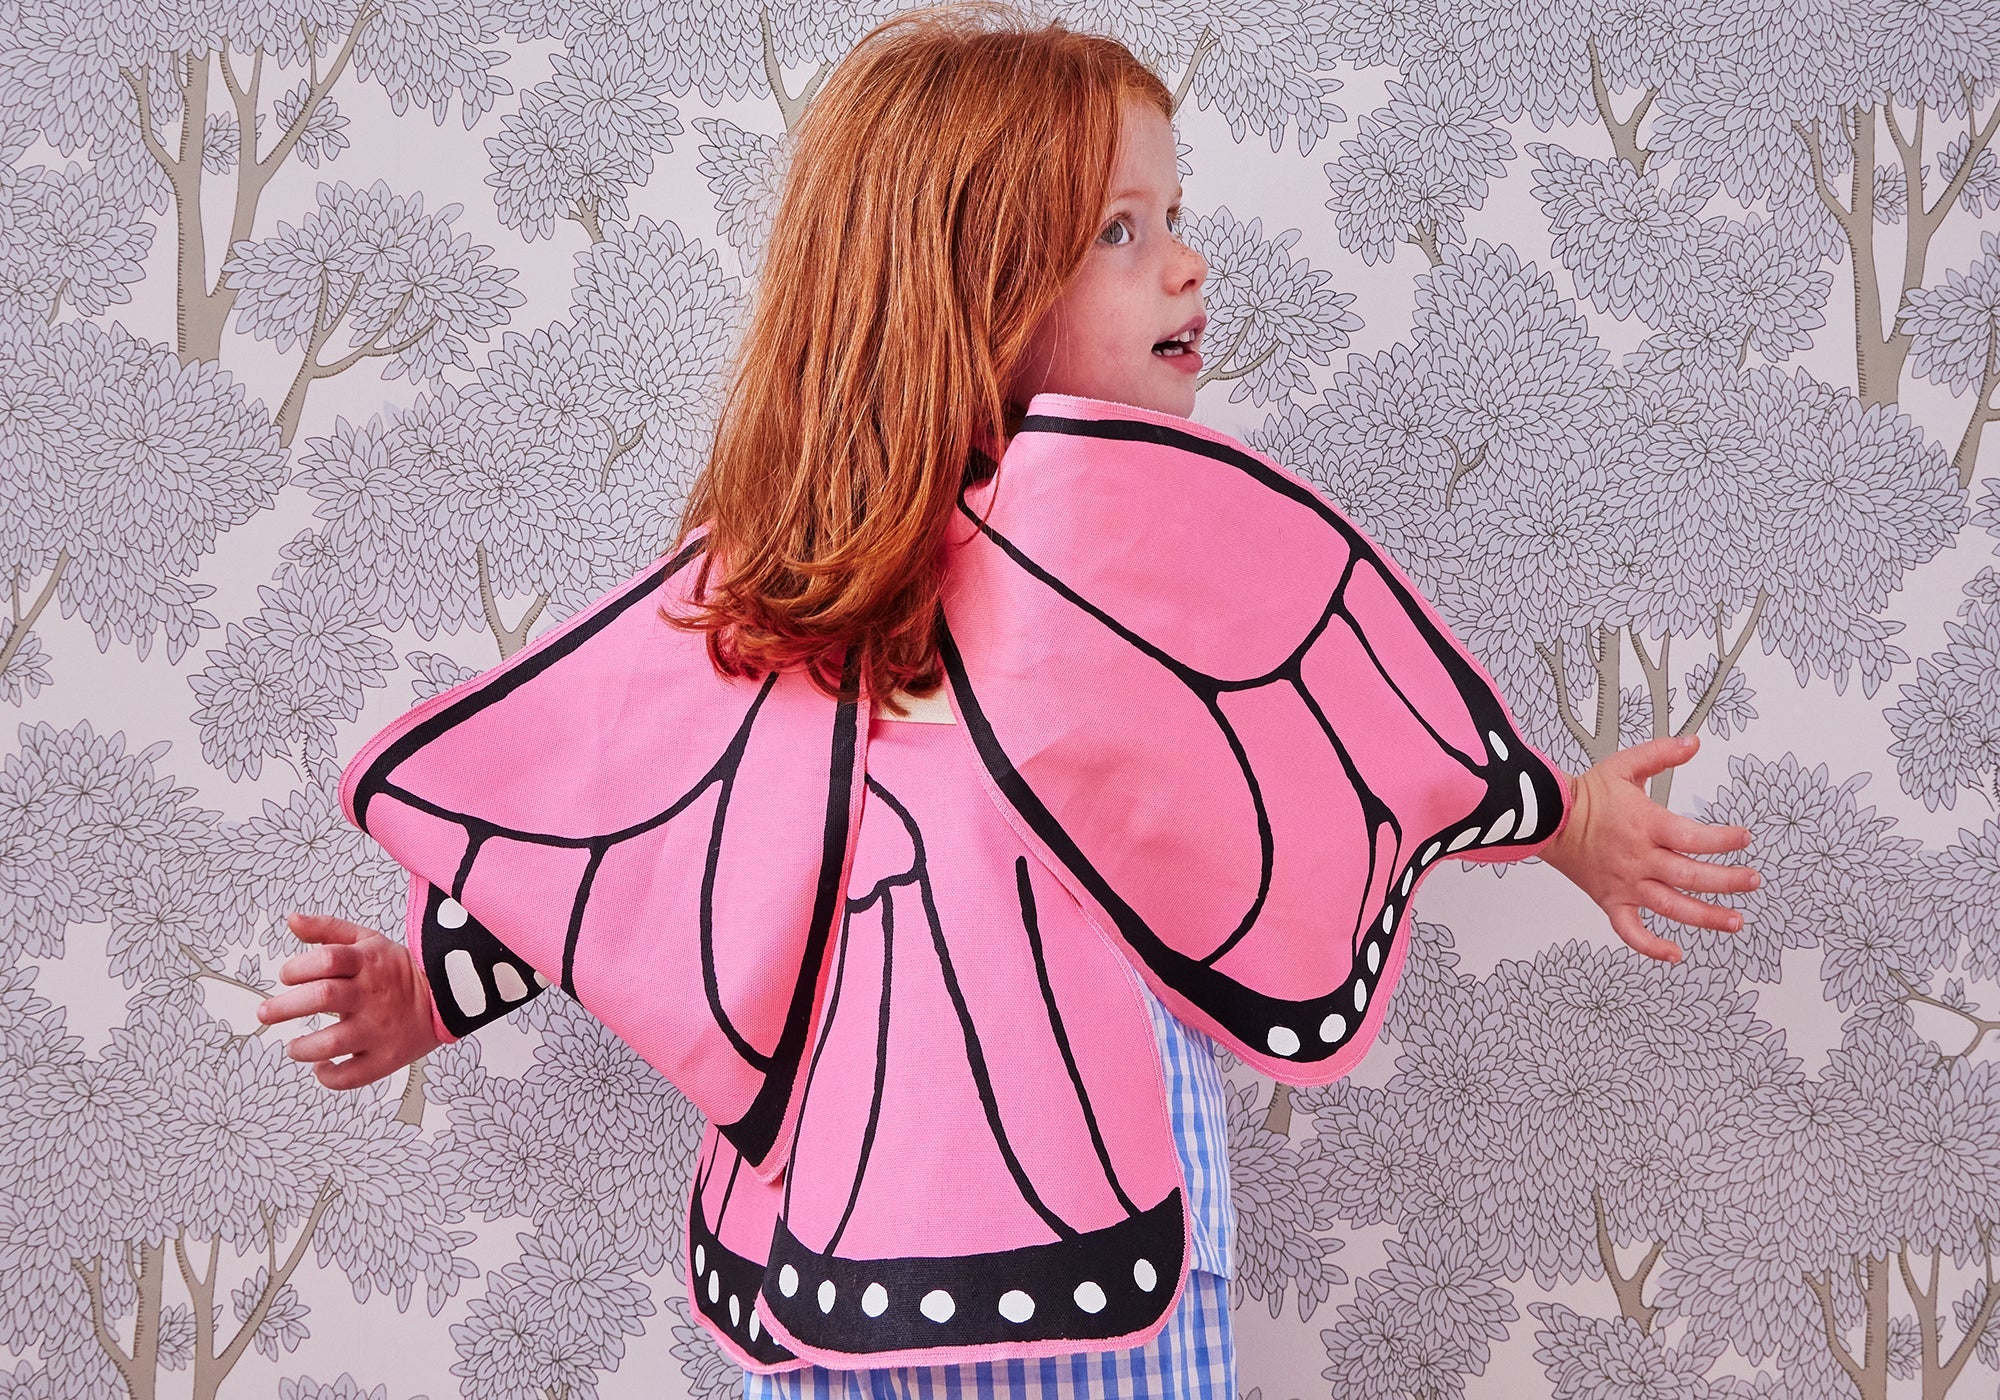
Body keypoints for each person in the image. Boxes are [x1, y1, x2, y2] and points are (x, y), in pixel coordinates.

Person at [258, 6, 1762, 1397]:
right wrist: (433, 990)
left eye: (1172, 220)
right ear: (962, 281)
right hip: (841, 1256)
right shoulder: (789, 580)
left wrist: (1565, 820)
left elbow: (1332, 737)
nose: (1186, 264)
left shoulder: (1163, 563)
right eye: (1120, 231)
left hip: (1117, 1228)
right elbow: (637, 823)